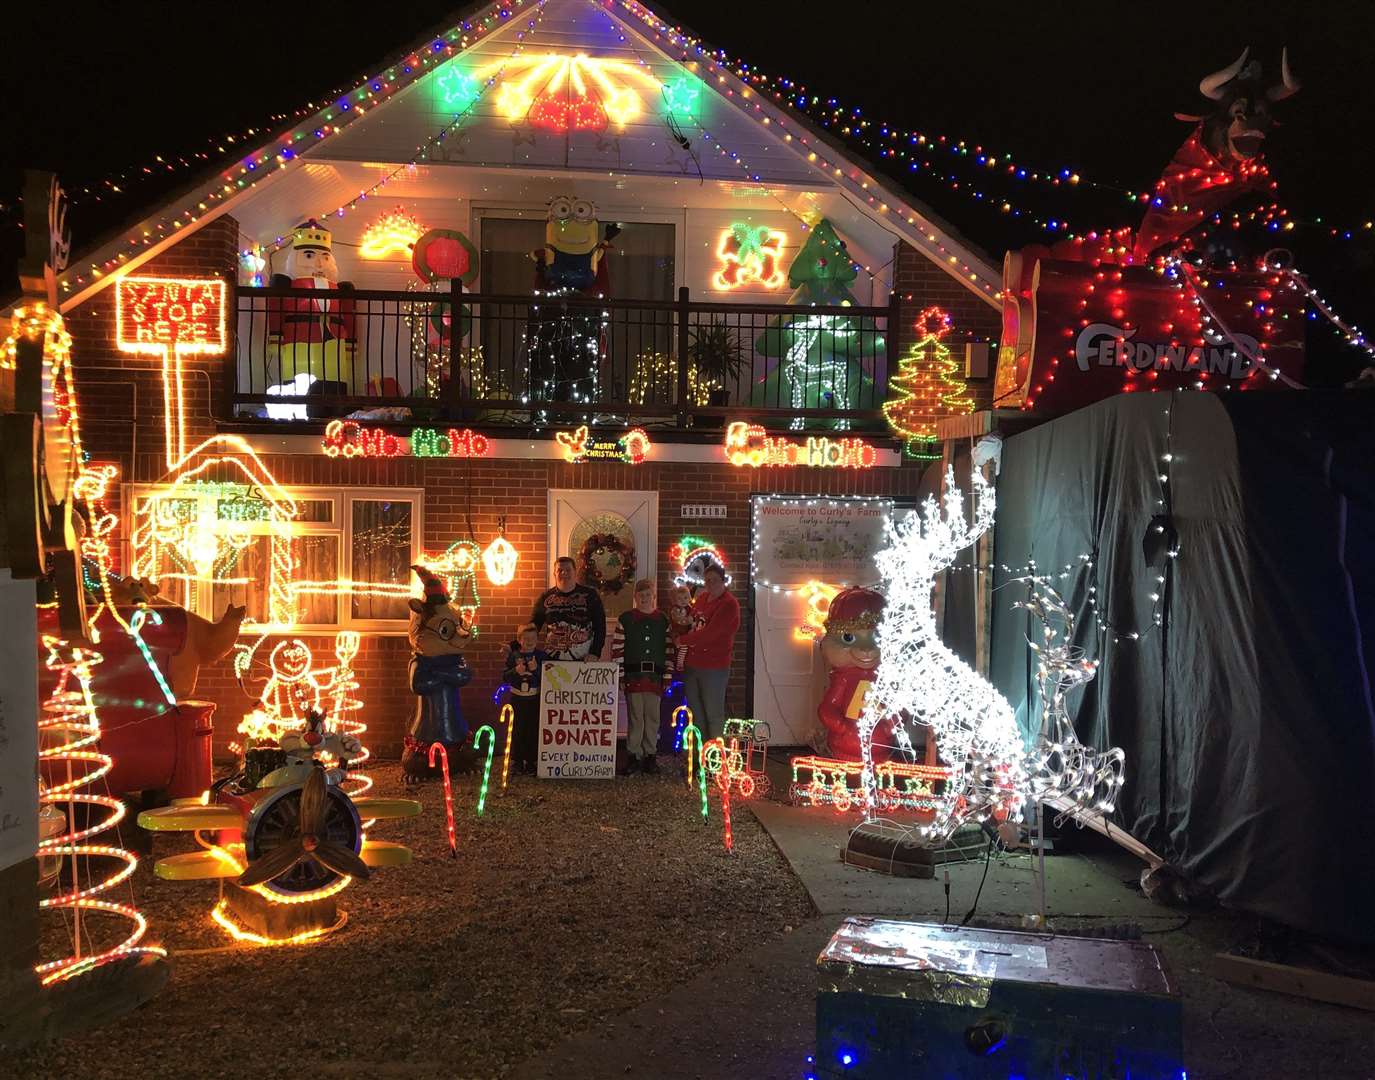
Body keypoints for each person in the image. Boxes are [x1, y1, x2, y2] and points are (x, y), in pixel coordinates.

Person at [611, 579, 674, 775]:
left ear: (653, 597)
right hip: (633, 675)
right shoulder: (626, 619)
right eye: (641, 595)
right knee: (636, 716)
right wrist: (620, 675)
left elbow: (669, 649)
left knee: (653, 717)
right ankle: (633, 755)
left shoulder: (662, 620)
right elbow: (617, 649)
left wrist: (667, 675)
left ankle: (650, 755)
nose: (644, 598)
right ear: (635, 597)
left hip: (654, 677)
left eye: (648, 595)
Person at [676, 564, 740, 742]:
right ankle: (699, 759)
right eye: (707, 581)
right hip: (692, 664)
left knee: (713, 714)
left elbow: (711, 634)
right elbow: (693, 623)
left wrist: (684, 641)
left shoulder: (729, 604)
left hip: (714, 667)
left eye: (715, 581)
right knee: (696, 714)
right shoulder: (703, 599)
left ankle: (715, 760)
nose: (711, 584)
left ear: (723, 581)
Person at [531, 555, 607, 662]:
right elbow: (533, 626)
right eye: (560, 570)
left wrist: (595, 653)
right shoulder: (545, 597)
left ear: (575, 572)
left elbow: (600, 627)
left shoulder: (590, 595)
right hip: (552, 660)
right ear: (554, 574)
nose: (564, 573)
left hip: (584, 660)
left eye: (568, 570)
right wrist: (516, 647)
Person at [502, 623, 547, 774]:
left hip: (534, 699)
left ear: (537, 640)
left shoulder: (541, 656)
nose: (529, 641)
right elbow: (505, 677)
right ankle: (518, 761)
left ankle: (531, 761)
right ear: (519, 640)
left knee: (532, 730)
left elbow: (548, 679)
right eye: (526, 638)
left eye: (533, 638)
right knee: (517, 729)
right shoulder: (513, 656)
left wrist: (537, 670)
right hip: (517, 698)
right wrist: (515, 671)